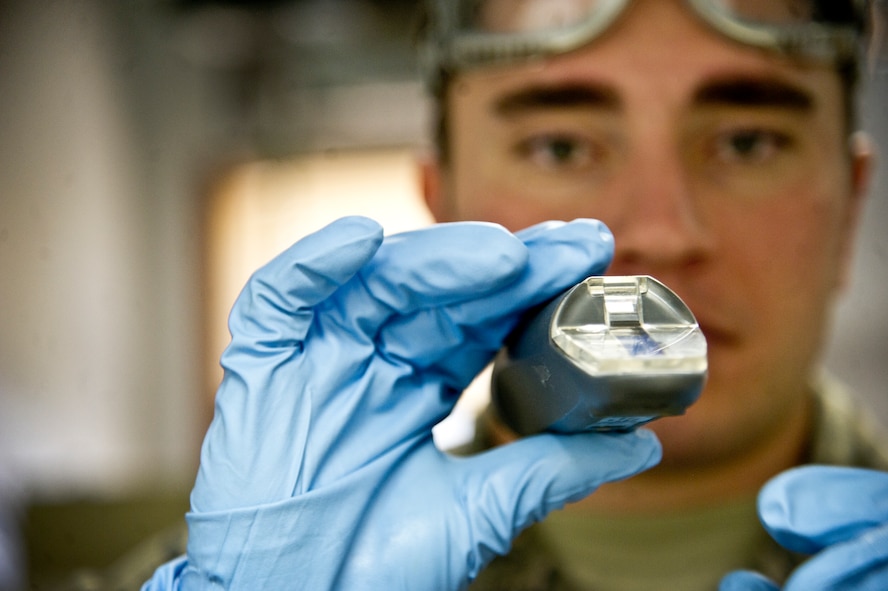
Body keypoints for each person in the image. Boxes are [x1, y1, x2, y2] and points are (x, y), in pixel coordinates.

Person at [135, 1, 888, 590]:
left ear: (851, 207)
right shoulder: (234, 571)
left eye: (747, 142)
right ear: (445, 207)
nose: (662, 232)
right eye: (560, 146)